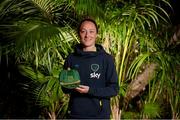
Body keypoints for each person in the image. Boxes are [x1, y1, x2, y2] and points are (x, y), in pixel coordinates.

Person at [62, 18, 119, 119]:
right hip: (75, 115)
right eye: (83, 31)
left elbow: (114, 89)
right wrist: (68, 83)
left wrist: (90, 90)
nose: (87, 35)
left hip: (99, 116)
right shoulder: (71, 58)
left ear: (97, 34)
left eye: (91, 31)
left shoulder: (106, 59)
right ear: (78, 34)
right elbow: (65, 89)